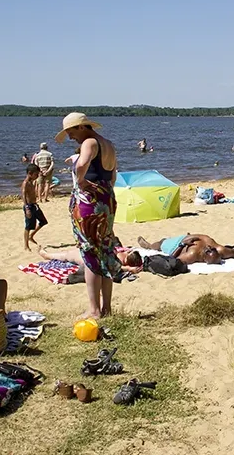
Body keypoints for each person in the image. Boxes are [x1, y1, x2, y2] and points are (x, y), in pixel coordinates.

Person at [56, 112, 122, 319]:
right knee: (105, 250)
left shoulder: (89, 142)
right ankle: (107, 308)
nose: (69, 137)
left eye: (70, 132)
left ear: (81, 127)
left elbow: (82, 164)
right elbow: (113, 175)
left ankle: (94, 309)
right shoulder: (108, 144)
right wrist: (103, 191)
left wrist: (81, 180)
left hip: (89, 204)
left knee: (90, 253)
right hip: (107, 200)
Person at [134, 234, 234, 265]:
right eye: (212, 249)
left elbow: (171, 260)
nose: (209, 248)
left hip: (177, 244)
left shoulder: (191, 255)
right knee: (231, 251)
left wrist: (182, 245)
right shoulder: (219, 249)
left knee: (161, 243)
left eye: (208, 251)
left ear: (204, 258)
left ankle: (148, 245)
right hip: (187, 236)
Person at [38, 246, 144, 274]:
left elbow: (118, 267)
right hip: (95, 256)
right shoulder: (122, 257)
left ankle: (47, 256)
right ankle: (48, 255)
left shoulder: (120, 259)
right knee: (68, 254)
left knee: (67, 255)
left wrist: (129, 269)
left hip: (90, 259)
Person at [21, 164, 47, 251]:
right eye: (36, 174)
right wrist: (27, 208)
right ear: (30, 173)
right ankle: (26, 246)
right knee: (28, 226)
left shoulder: (32, 182)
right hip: (29, 206)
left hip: (35, 205)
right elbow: (23, 196)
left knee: (43, 221)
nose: (37, 176)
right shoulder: (25, 183)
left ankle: (31, 236)